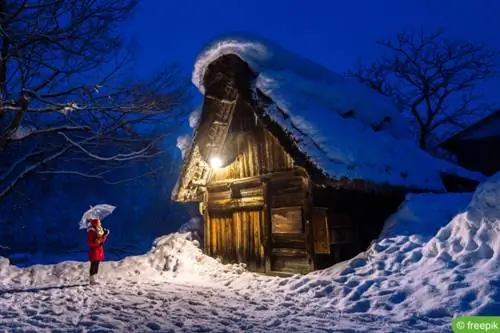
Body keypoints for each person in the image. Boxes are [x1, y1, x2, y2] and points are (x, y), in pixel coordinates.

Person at [87, 217, 110, 285]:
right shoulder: (91, 231)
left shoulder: (99, 230)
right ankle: (92, 279)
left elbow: (101, 241)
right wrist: (96, 242)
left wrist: (105, 235)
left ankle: (94, 278)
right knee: (94, 264)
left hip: (99, 250)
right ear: (95, 223)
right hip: (94, 251)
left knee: (97, 263)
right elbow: (89, 243)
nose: (100, 224)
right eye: (98, 223)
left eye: (99, 222)